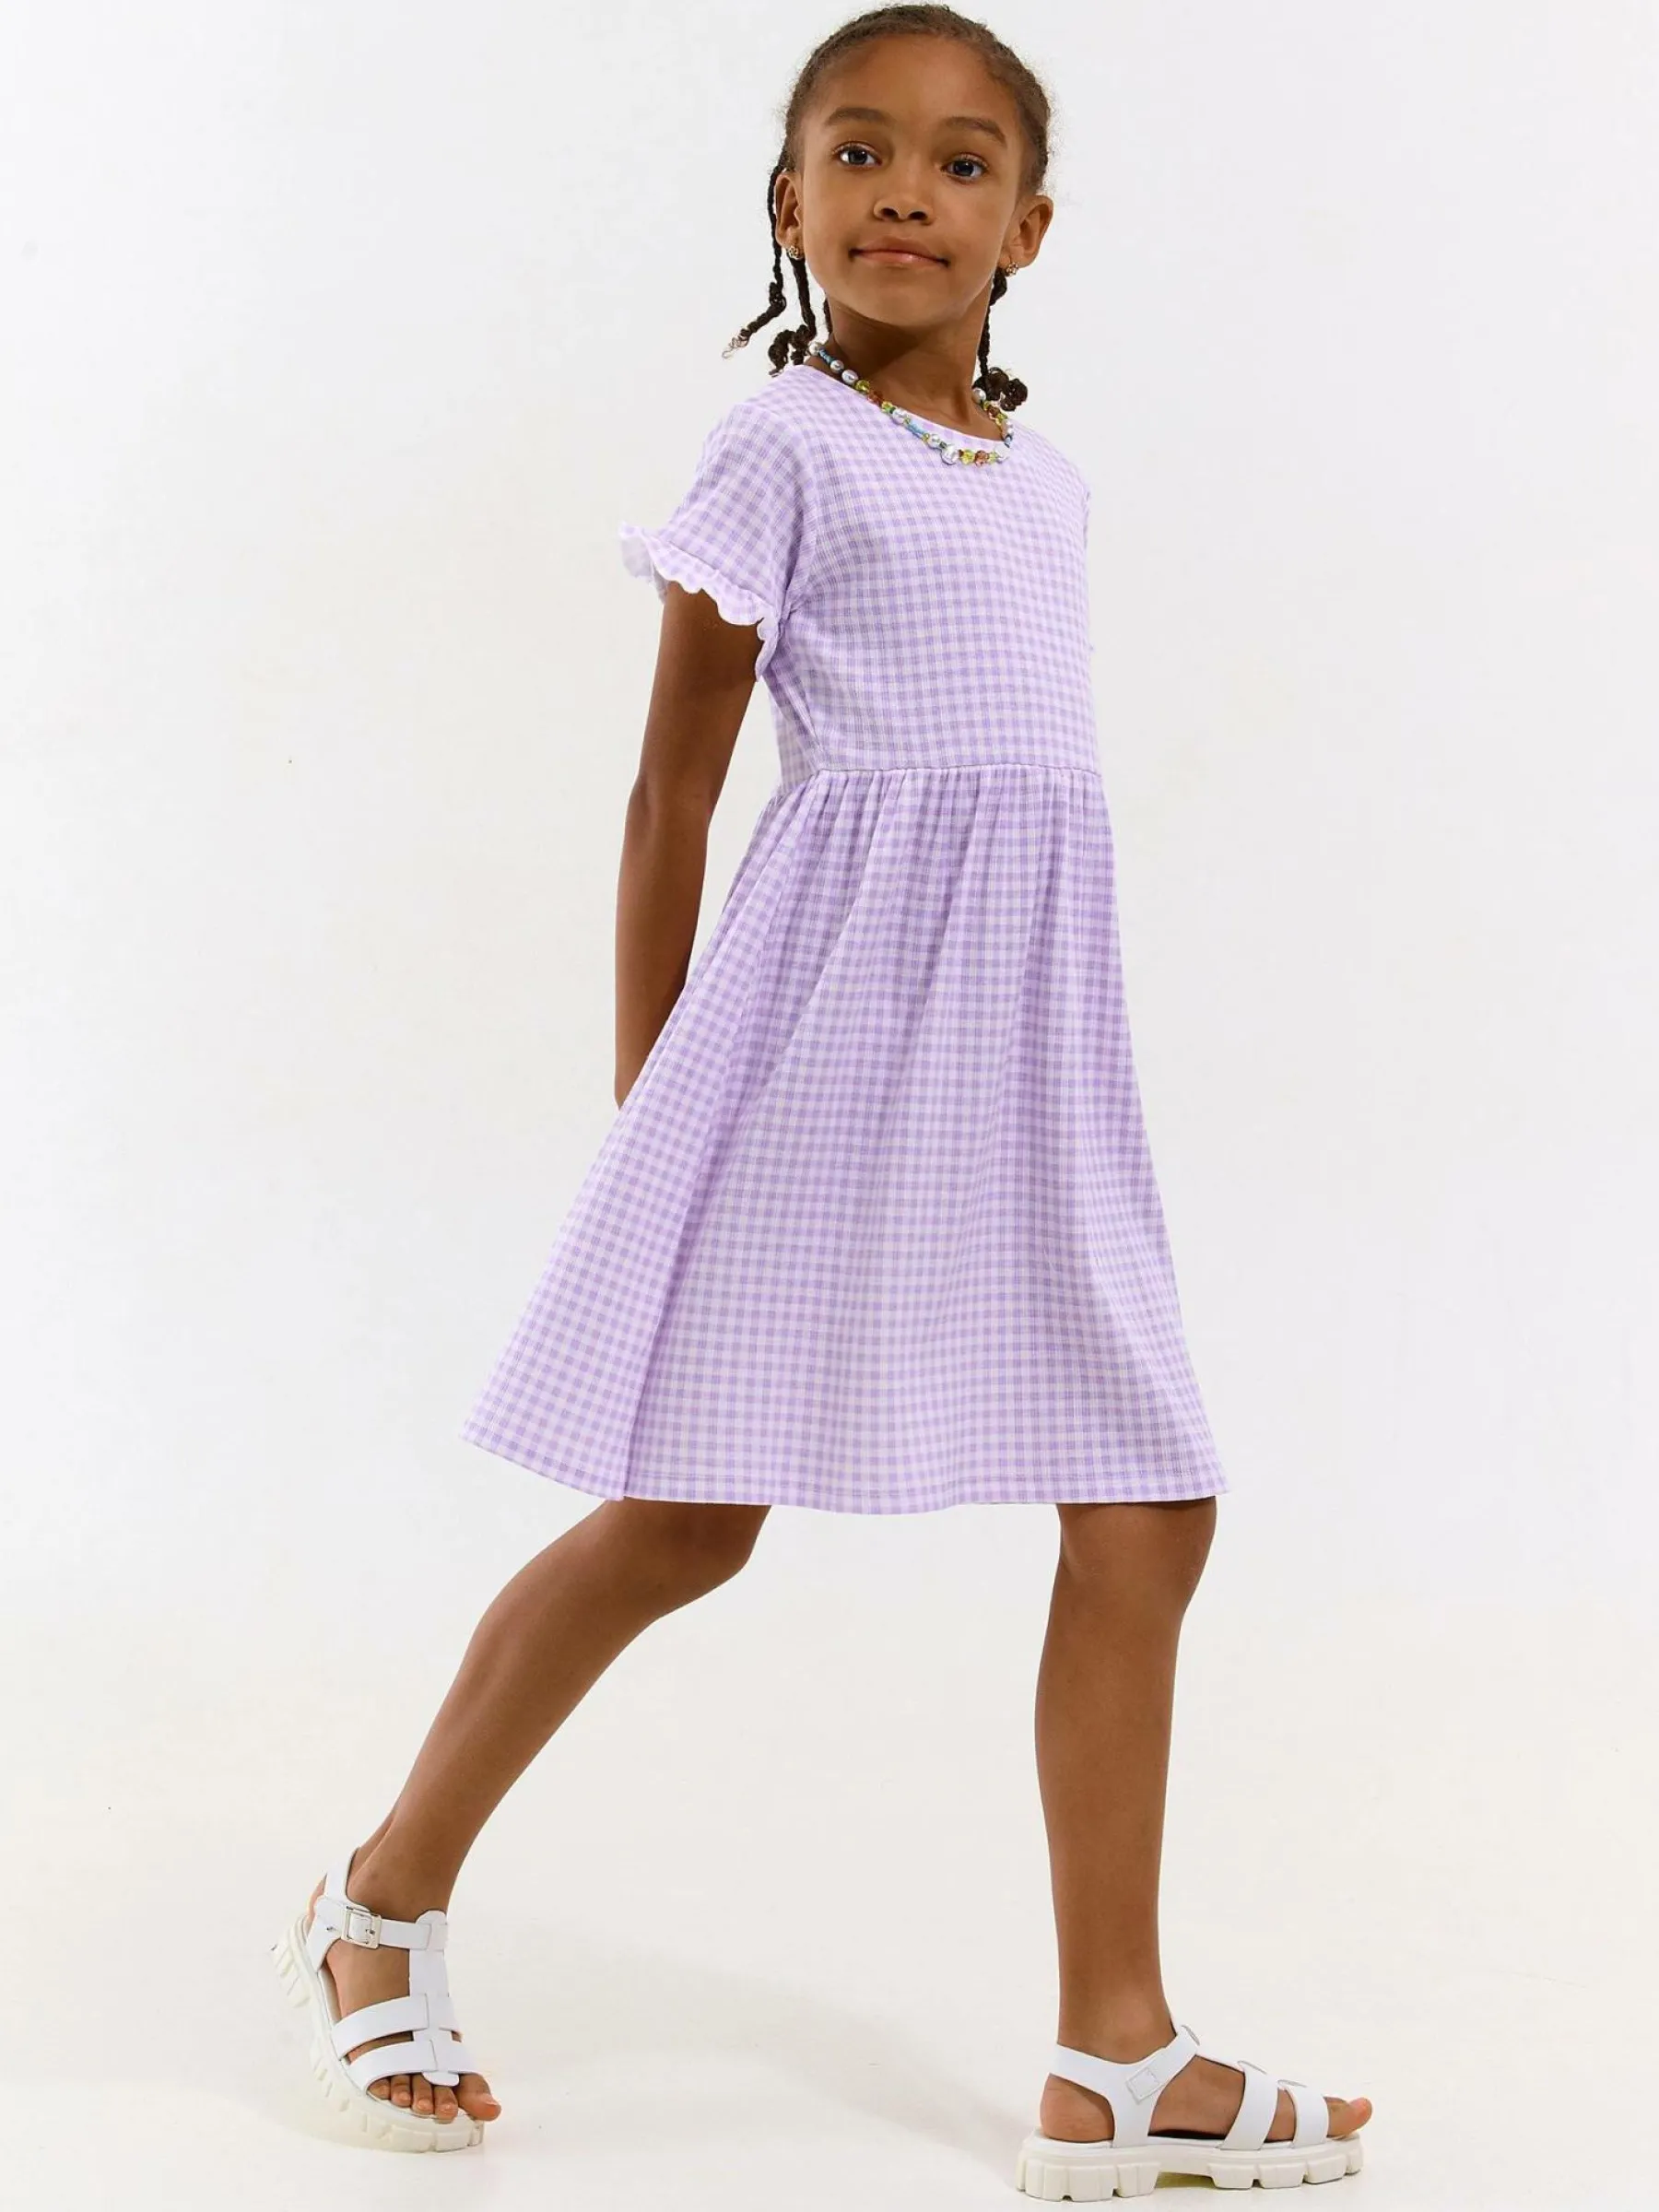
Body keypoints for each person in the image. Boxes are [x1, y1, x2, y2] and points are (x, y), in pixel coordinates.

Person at [272, 6, 1373, 2189]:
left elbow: (1025, 812)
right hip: (820, 1035)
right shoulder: (778, 448)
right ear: (788, 207)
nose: (904, 193)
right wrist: (654, 1097)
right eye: (856, 153)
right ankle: (378, 1897)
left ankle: (1115, 2049)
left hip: (1030, 1057)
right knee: (688, 1519)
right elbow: (670, 792)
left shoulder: (1045, 488)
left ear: (1027, 231)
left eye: (961, 164)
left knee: (1149, 1503)